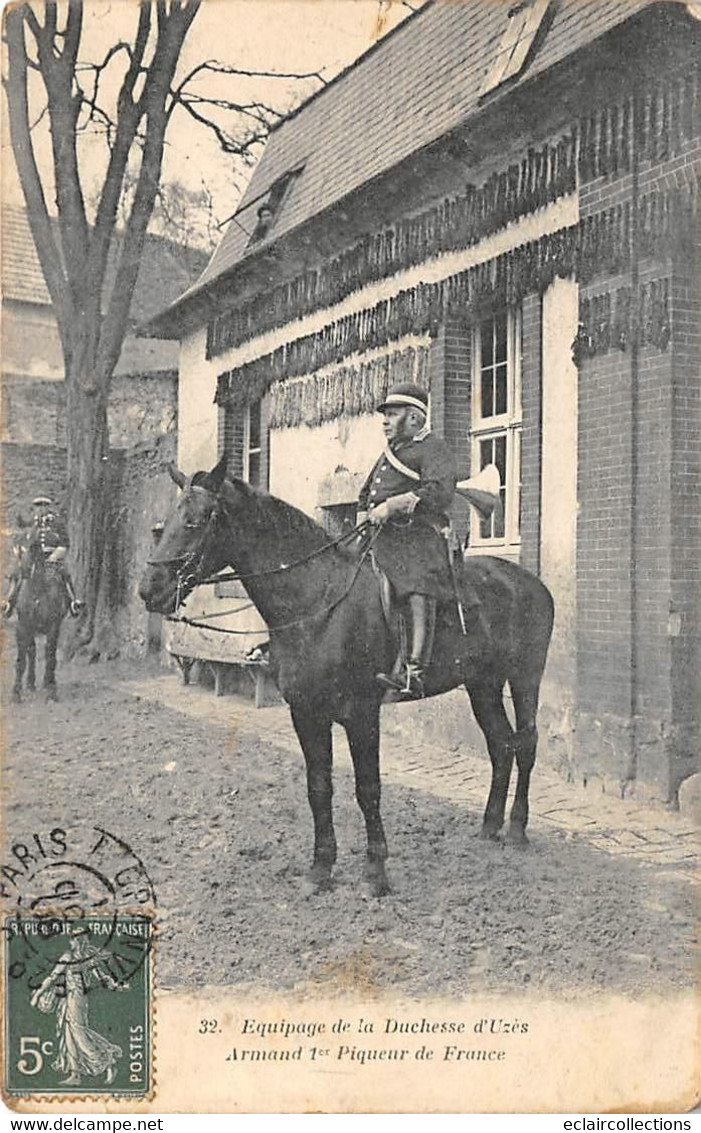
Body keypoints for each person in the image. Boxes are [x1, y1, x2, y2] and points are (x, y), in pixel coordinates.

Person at [358, 383, 459, 700]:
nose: (385, 421)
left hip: (418, 538)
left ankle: (414, 672)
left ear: (414, 418)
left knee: (417, 581)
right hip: (382, 537)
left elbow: (440, 492)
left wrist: (393, 506)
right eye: (385, 415)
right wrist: (364, 512)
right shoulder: (391, 453)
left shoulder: (432, 448)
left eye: (392, 414)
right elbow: (366, 492)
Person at [30, 929, 124, 1087]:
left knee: (79, 1033)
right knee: (69, 1035)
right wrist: (38, 994)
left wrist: (115, 986)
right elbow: (53, 977)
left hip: (78, 999)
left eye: (76, 939)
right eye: (73, 939)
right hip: (68, 999)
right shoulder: (69, 957)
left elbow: (101, 976)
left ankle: (107, 1061)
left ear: (80, 941)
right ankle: (75, 1074)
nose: (73, 942)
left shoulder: (85, 958)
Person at [2, 497, 83, 618]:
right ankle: (9, 602)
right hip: (34, 557)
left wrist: (56, 555)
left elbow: (65, 542)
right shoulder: (32, 522)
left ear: (48, 507)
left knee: (63, 574)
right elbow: (24, 537)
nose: (41, 508)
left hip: (51, 556)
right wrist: (23, 549)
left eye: (44, 505)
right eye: (38, 506)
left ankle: (72, 602)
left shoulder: (57, 522)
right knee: (18, 572)